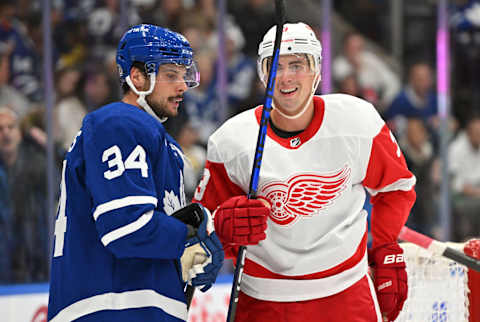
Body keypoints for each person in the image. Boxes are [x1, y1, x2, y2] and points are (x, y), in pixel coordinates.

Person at [193, 22, 416, 322]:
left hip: (346, 294)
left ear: (317, 71)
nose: (286, 77)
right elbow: (201, 229)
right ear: (262, 74)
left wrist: (386, 247)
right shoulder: (231, 141)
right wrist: (221, 227)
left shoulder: (358, 121)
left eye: (297, 65)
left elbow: (397, 186)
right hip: (263, 301)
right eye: (276, 66)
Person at [47, 24, 224, 322]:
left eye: (184, 75)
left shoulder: (165, 145)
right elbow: (127, 226)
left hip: (141, 305)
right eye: (171, 75)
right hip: (111, 306)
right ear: (137, 77)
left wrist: (195, 248)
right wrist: (190, 238)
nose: (182, 86)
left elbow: (157, 236)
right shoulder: (119, 122)